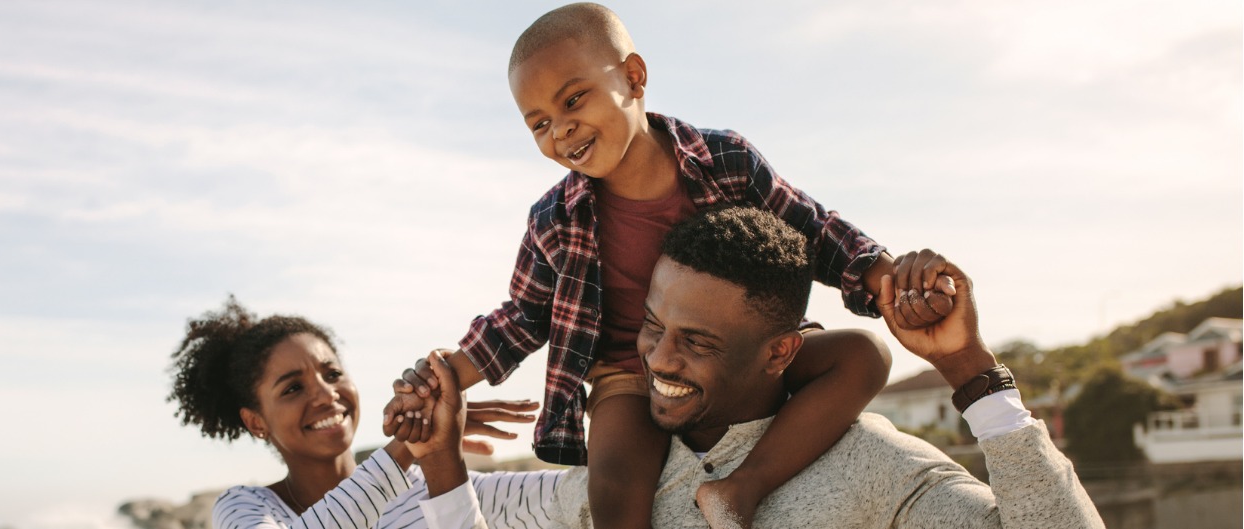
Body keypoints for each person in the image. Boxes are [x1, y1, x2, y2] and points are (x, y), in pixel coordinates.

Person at [386, 3, 956, 527]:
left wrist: (884, 275)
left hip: (738, 354)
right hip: (630, 375)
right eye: (538, 123)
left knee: (865, 356)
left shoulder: (725, 161)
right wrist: (444, 376)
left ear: (633, 77)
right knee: (613, 483)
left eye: (573, 99)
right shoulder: (554, 219)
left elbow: (811, 227)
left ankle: (743, 487)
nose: (559, 129)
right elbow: (524, 316)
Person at [165, 297, 558, 529]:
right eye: (293, 387)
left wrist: (441, 453)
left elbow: (588, 496)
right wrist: (408, 445)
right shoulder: (246, 508)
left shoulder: (431, 487)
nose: (325, 394)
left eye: (332, 373)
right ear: (256, 421)